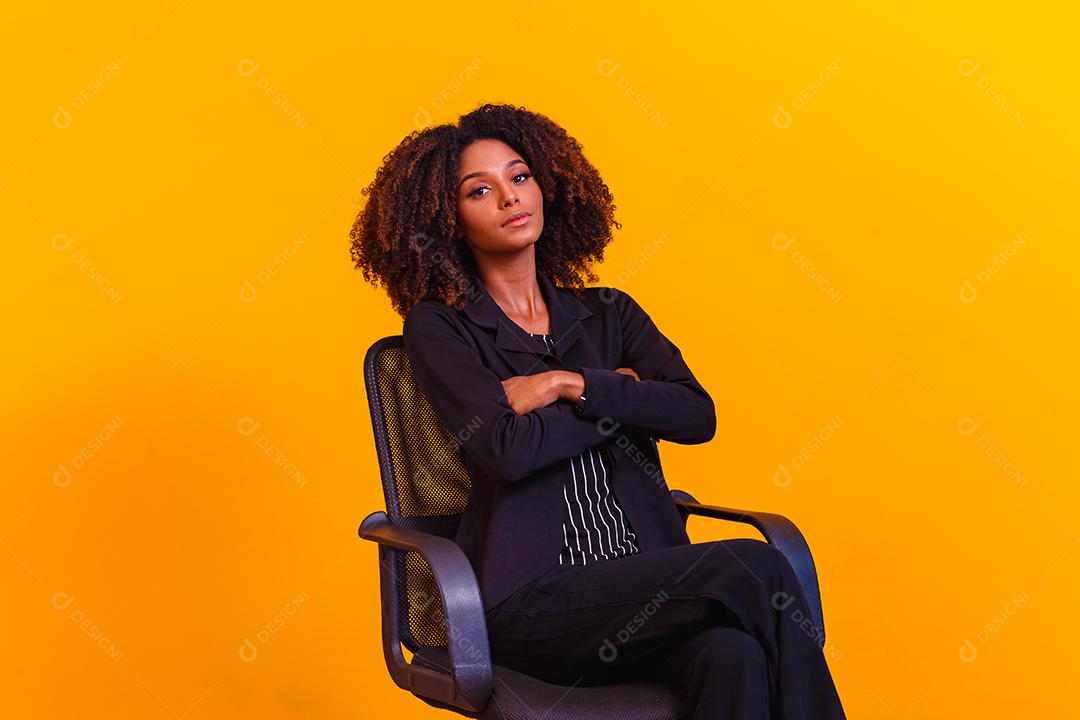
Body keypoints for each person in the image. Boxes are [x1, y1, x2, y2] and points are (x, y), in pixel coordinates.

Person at [349, 102, 846, 720]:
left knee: (733, 655)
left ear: (547, 187)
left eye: (520, 177)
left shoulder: (611, 312)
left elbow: (695, 416)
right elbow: (505, 448)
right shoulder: (440, 328)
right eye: (481, 190)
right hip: (532, 605)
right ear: (449, 220)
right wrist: (623, 397)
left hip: (645, 590)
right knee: (755, 564)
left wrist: (570, 385)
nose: (509, 198)